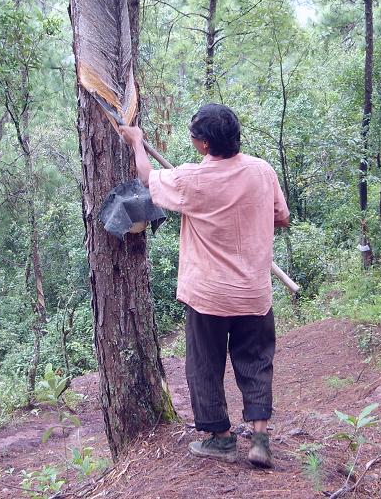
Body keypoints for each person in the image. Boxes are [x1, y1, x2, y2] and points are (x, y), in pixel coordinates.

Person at [119, 103, 290, 469]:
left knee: (204, 366)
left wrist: (136, 142)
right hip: (253, 293)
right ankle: (260, 438)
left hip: (209, 295)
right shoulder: (261, 171)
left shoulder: (190, 181)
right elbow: (282, 217)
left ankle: (222, 440)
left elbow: (149, 179)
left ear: (203, 145)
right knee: (256, 362)